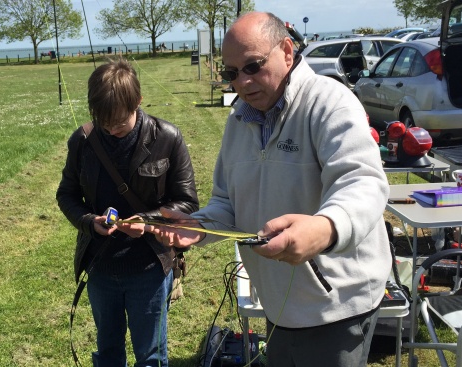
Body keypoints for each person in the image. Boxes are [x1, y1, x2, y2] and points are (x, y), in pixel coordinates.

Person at [146, 11, 391, 367]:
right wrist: (196, 228)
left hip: (336, 309)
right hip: (277, 307)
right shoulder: (239, 121)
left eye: (253, 66)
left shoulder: (329, 102)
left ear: (287, 52)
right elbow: (226, 203)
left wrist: (324, 229)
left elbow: (363, 183)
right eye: (231, 74)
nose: (242, 83)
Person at [56, 58, 199, 367]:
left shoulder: (168, 138)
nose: (111, 130)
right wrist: (89, 222)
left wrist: (147, 224)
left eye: (119, 122)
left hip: (149, 268)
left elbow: (187, 203)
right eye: (104, 122)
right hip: (100, 267)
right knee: (107, 353)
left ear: (138, 101)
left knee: (150, 356)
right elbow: (66, 195)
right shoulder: (82, 140)